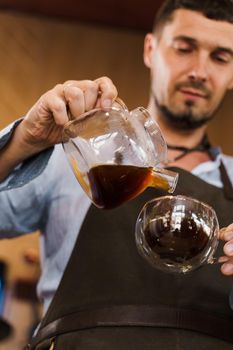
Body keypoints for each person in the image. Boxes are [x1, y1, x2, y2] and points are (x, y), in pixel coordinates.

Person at [1, 0, 233, 348]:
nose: (199, 71)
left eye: (220, 57)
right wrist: (23, 141)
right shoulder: (69, 159)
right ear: (150, 49)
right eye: (184, 48)